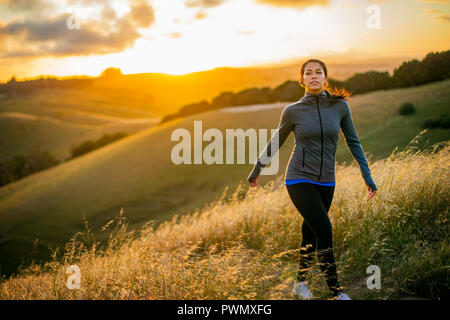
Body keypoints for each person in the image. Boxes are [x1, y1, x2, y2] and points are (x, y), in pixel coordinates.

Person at [247, 58, 378, 300]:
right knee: (324, 229)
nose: (314, 76)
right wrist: (257, 170)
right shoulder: (293, 111)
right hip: (298, 178)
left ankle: (300, 284)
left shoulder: (340, 107)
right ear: (302, 80)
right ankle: (337, 293)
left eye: (318, 72)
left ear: (326, 78)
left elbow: (353, 141)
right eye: (308, 73)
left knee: (310, 232)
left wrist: (367, 175)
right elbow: (276, 141)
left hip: (327, 180)